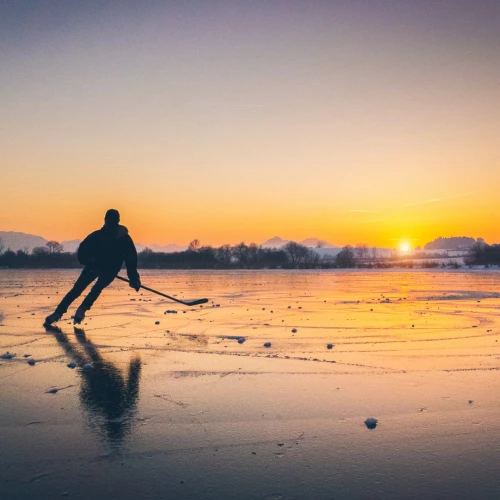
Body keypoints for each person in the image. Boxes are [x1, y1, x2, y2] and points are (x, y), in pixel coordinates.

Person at [44, 209, 141, 326]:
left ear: (117, 221)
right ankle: (59, 312)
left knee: (95, 289)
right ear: (106, 220)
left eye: (113, 221)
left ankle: (81, 309)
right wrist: (90, 261)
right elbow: (82, 251)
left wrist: (133, 278)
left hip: (110, 270)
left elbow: (131, 258)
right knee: (78, 290)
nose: (111, 223)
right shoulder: (97, 236)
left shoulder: (124, 238)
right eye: (110, 220)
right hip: (94, 267)